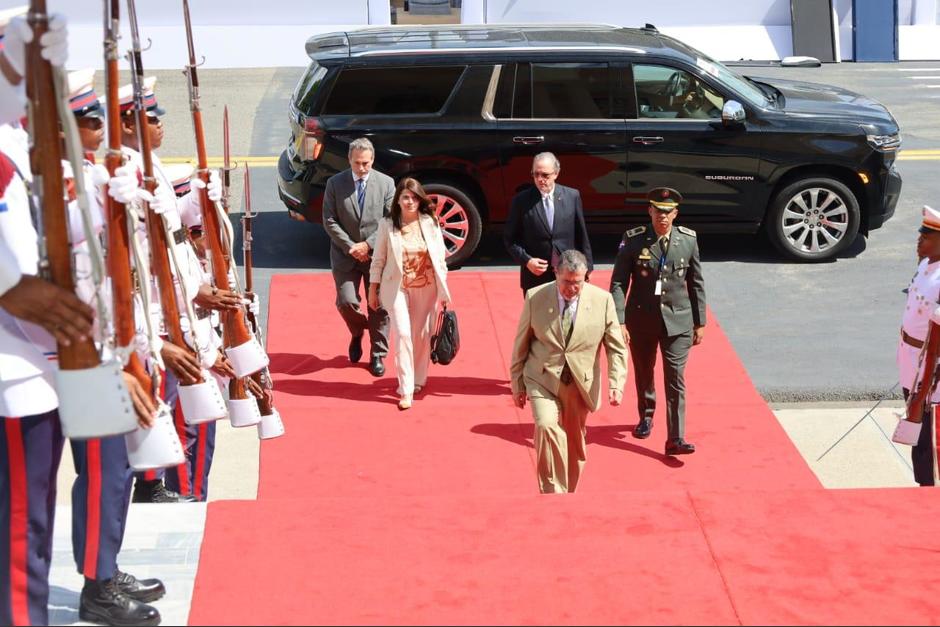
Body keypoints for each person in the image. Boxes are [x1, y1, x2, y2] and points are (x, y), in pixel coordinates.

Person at [0, 15, 160, 626]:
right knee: (25, 518)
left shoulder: (60, 155)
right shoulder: (16, 149)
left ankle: (100, 576)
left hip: (83, 347)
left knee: (108, 463)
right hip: (30, 358)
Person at [62, 69, 169, 624]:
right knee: (99, 468)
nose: (101, 129)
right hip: (68, 352)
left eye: (101, 119)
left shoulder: (95, 171)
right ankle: (97, 582)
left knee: (110, 468)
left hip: (98, 346)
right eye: (90, 120)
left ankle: (103, 570)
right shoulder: (53, 180)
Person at [510, 250, 627, 493]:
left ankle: (569, 492)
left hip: (579, 381)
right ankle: (553, 490)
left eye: (578, 283)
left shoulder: (603, 301)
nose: (572, 289)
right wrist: (517, 383)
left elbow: (616, 347)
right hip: (541, 377)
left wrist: (616, 383)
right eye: (566, 282)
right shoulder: (535, 297)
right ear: (556, 274)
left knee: (574, 441)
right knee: (545, 425)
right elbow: (521, 343)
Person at [610, 187, 706, 456]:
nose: (662, 217)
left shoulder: (687, 240)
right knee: (644, 371)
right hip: (641, 319)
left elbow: (696, 282)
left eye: (668, 212)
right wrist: (619, 320)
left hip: (678, 322)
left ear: (675, 214)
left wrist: (700, 322)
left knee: (675, 378)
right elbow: (618, 282)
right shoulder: (633, 240)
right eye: (658, 211)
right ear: (650, 211)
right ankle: (647, 415)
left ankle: (675, 437)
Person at [368, 177, 451, 410]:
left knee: (421, 335)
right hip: (396, 287)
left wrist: (444, 288)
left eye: (414, 197)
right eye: (405, 197)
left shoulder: (430, 222)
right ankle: (405, 389)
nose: (410, 201)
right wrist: (372, 289)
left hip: (426, 287)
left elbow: (440, 256)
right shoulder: (387, 225)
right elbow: (378, 260)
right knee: (404, 334)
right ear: (398, 201)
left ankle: (418, 378)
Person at [323, 137, 395, 377]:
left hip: (377, 255)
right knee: (346, 302)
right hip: (346, 254)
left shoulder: (386, 184)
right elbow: (329, 219)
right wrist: (352, 246)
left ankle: (377, 354)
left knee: (379, 306)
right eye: (357, 163)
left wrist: (368, 244)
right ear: (349, 160)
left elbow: (390, 219)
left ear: (372, 160)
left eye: (366, 163)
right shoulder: (335, 183)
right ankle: (357, 332)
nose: (362, 168)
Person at [503, 152, 593, 294]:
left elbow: (581, 235)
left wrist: (588, 267)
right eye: (536, 174)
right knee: (538, 316)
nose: (540, 179)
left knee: (568, 315)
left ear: (556, 173)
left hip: (568, 273)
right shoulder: (521, 201)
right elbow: (510, 240)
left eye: (545, 175)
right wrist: (527, 261)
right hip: (535, 276)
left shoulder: (572, 196)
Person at [897, 205, 940, 487]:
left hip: (929, 369)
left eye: (926, 236)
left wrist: (923, 390)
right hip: (910, 359)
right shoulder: (925, 265)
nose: (919, 240)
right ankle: (923, 488)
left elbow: (937, 338)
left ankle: (930, 492)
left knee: (929, 438)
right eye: (920, 234)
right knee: (916, 435)